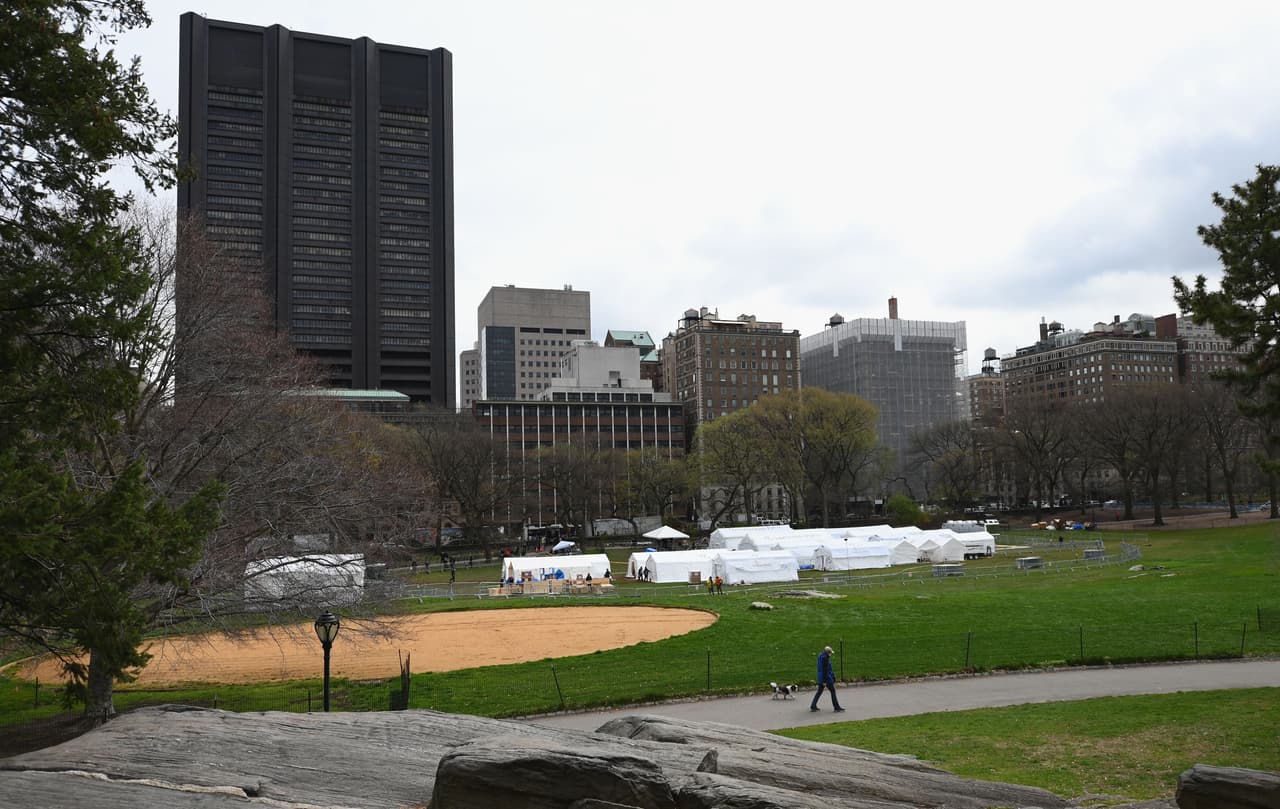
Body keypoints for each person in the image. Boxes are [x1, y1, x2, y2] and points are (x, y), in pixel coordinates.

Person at [809, 645, 845, 712]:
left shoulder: (820, 656)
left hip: (821, 677)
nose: (830, 654)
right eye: (830, 653)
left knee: (819, 692)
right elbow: (825, 670)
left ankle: (813, 706)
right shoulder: (825, 659)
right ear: (827, 653)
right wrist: (825, 681)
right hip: (826, 678)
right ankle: (836, 707)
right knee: (833, 691)